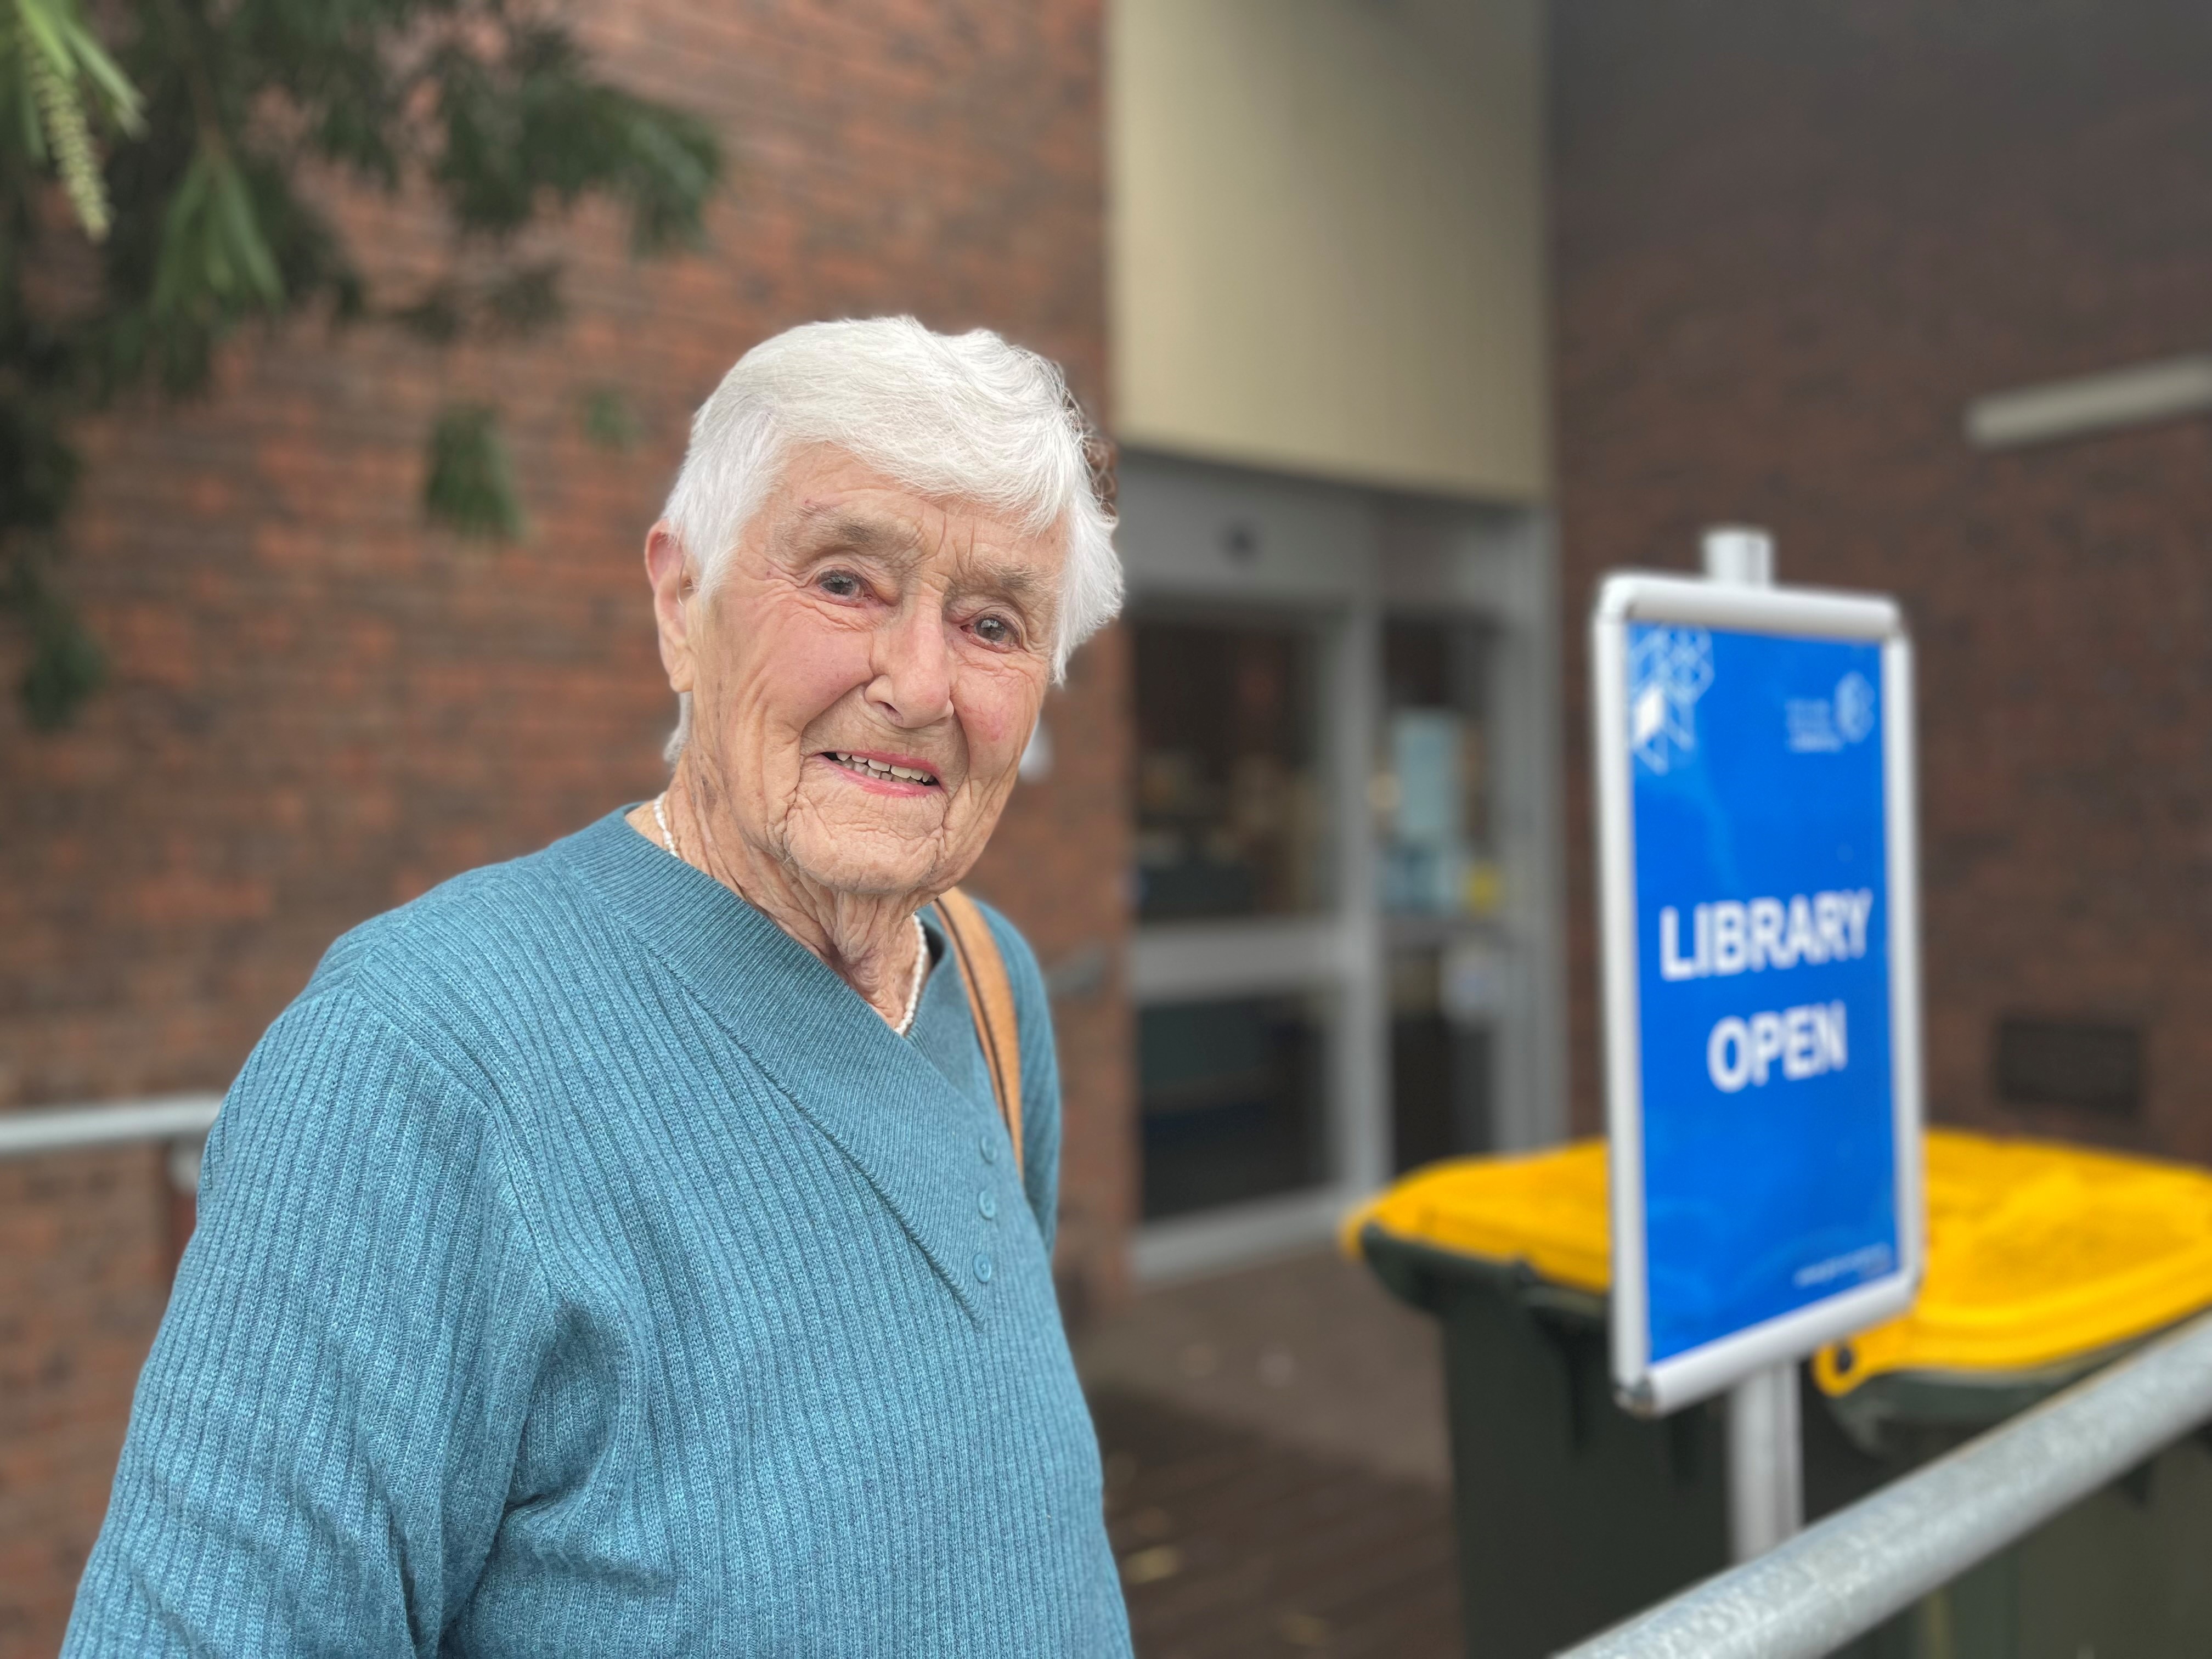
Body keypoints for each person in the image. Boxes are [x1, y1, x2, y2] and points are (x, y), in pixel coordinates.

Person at [63, 318, 1133, 1656]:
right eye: (848, 582)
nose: (919, 683)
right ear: (682, 607)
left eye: (991, 623)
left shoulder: (986, 981)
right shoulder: (416, 1062)